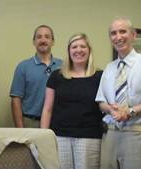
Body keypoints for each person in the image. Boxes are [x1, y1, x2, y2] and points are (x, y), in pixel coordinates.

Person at [95, 16, 141, 169]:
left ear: (133, 35)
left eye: (123, 31)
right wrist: (112, 109)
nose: (118, 37)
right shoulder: (109, 68)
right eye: (113, 33)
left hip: (137, 134)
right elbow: (101, 102)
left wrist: (130, 111)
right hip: (110, 136)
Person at [41, 33, 103, 169]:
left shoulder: (100, 76)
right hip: (59, 136)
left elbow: (105, 107)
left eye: (83, 46)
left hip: (90, 137)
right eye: (74, 47)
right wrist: (43, 137)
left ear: (89, 50)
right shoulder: (56, 76)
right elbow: (47, 109)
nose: (78, 50)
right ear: (69, 51)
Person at [10, 25, 62, 128]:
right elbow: (16, 100)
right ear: (34, 41)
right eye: (39, 37)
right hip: (31, 123)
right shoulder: (23, 67)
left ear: (53, 41)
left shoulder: (63, 66)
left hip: (56, 122)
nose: (43, 40)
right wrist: (21, 130)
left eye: (47, 37)